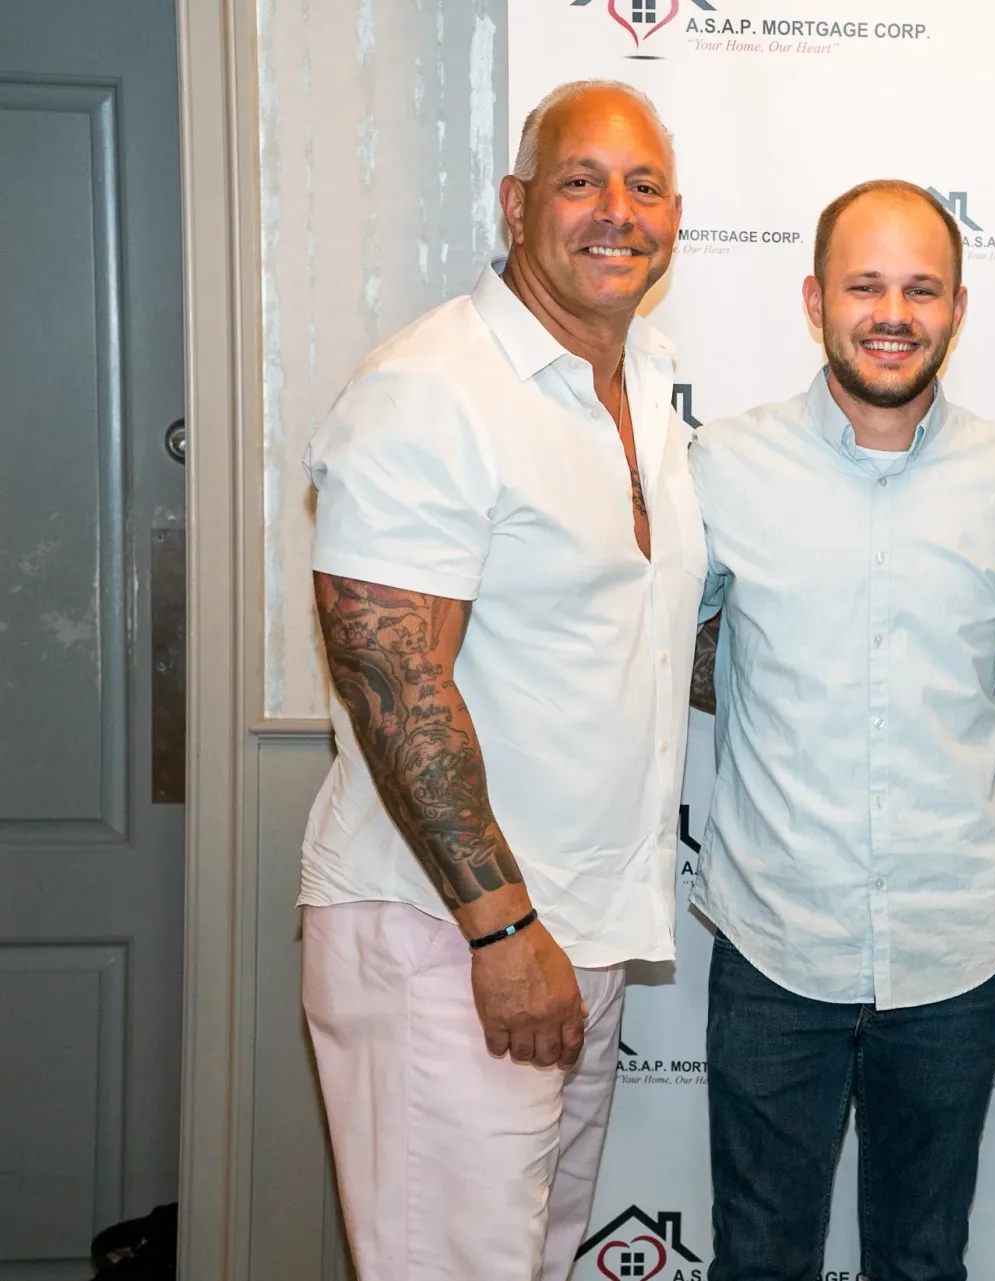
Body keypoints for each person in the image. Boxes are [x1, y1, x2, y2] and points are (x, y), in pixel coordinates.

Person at [298, 80, 703, 1280]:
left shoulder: (645, 379)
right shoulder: (434, 389)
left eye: (643, 186)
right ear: (518, 205)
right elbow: (389, 676)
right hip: (456, 933)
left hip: (575, 930)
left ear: (675, 216)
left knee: (531, 1256)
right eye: (581, 181)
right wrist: (504, 927)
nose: (614, 212)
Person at [687, 179, 995, 1281]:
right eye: (865, 286)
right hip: (775, 943)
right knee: (759, 1260)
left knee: (920, 1260)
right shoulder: (722, 470)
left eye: (921, 288)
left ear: (957, 308)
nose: (892, 312)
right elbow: (663, 651)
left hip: (955, 951)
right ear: (814, 300)